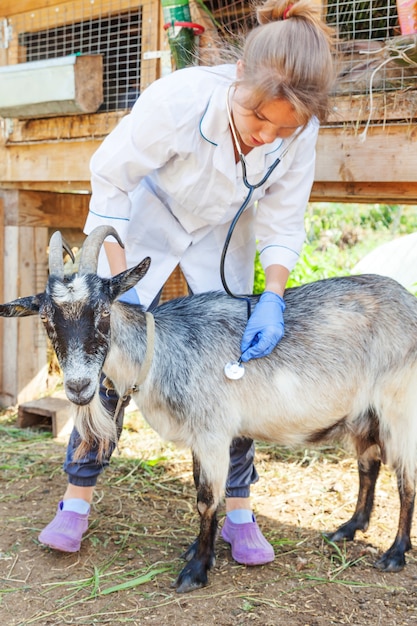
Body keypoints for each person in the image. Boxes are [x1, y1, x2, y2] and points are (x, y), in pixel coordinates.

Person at [38, 0, 335, 566]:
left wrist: (271, 296)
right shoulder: (180, 99)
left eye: (283, 129)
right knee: (110, 364)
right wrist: (116, 281)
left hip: (221, 239)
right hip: (143, 231)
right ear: (240, 81)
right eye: (258, 121)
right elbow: (111, 177)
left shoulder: (299, 131)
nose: (268, 137)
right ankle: (76, 500)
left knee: (232, 370)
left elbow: (283, 219)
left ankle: (239, 511)